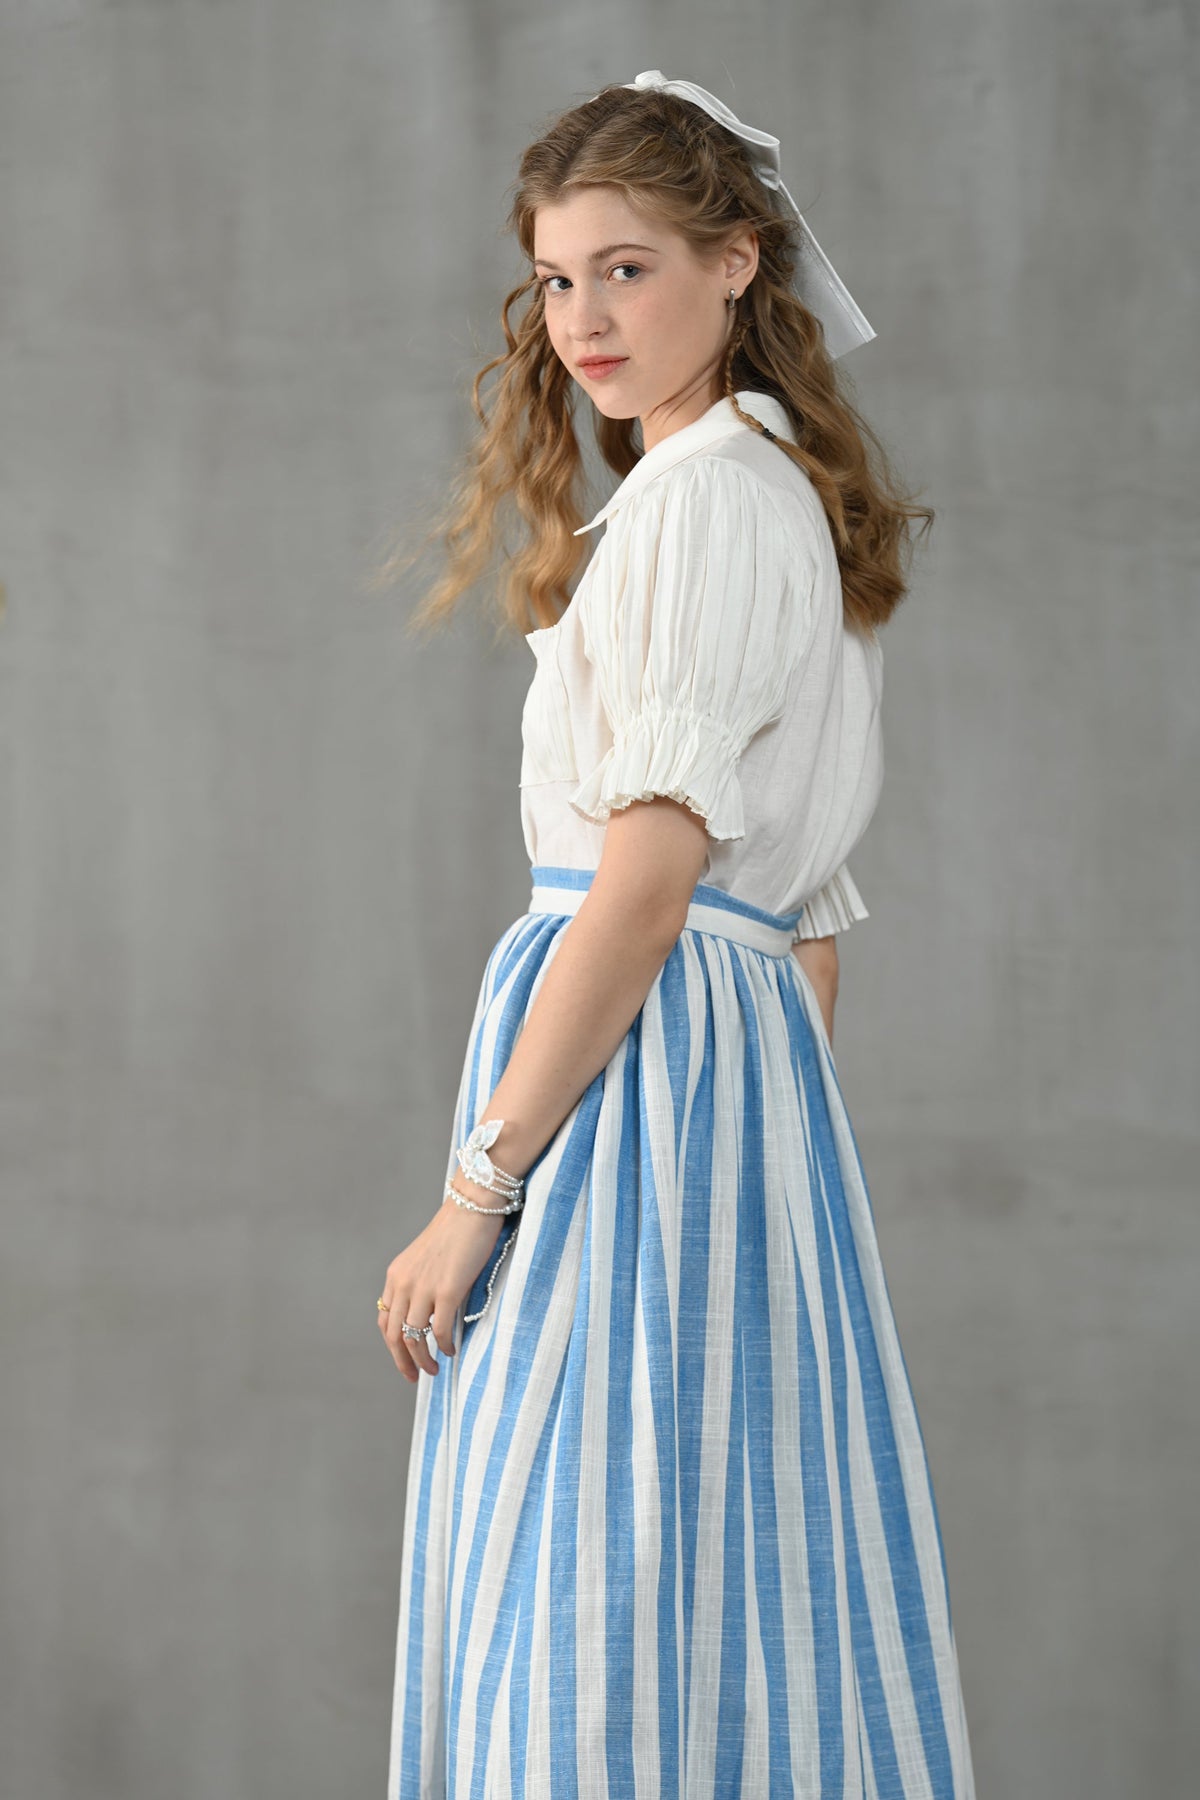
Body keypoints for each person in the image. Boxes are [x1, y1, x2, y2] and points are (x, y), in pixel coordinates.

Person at [374, 70, 978, 1799]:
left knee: (588, 1600)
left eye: (627, 270)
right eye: (559, 280)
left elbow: (648, 885)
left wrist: (480, 1189)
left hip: (623, 1089)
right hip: (710, 1094)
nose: (584, 319)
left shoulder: (708, 499)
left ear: (736, 262)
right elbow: (804, 939)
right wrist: (747, 1161)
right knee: (712, 1578)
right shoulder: (764, 494)